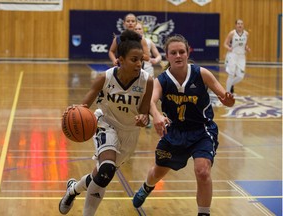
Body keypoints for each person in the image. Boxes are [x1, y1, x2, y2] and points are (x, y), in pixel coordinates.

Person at [132, 34, 235, 216]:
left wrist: (228, 100)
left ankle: (204, 213)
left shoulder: (202, 74)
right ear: (167, 56)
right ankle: (147, 187)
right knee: (158, 172)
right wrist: (156, 116)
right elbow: (150, 102)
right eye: (173, 53)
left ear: (188, 53)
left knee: (202, 171)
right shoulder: (162, 80)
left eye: (182, 52)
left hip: (202, 131)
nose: (178, 55)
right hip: (175, 132)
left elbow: (226, 100)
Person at [59, 29, 153, 216]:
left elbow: (144, 114)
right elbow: (84, 106)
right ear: (121, 59)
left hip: (129, 134)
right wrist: (73, 111)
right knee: (107, 170)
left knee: (100, 174)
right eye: (134, 59)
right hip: (106, 124)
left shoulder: (147, 81)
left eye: (140, 60)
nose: (139, 64)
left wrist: (144, 119)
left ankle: (73, 189)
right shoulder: (105, 78)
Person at [224, 19, 251, 94]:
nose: (240, 25)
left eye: (241, 24)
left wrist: (247, 48)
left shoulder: (246, 34)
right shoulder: (232, 33)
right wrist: (229, 48)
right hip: (233, 55)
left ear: (243, 25)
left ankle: (231, 84)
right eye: (238, 24)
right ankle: (227, 92)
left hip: (241, 56)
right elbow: (225, 44)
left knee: (240, 76)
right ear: (236, 25)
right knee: (231, 74)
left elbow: (245, 45)